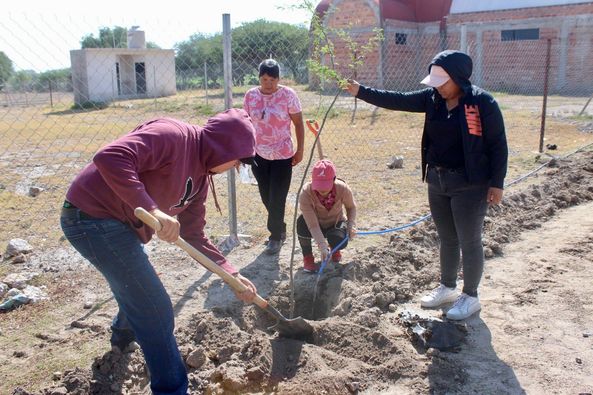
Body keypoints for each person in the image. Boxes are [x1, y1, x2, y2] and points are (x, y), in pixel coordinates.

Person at [60, 109, 258, 395]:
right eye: (238, 159)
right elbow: (110, 157)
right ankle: (172, 390)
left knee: (136, 286)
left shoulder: (201, 176)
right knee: (156, 307)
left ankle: (122, 340)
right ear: (223, 146)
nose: (236, 166)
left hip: (121, 225)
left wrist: (232, 274)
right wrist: (153, 210)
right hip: (89, 217)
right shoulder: (172, 135)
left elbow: (193, 234)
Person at [345, 50, 508, 320]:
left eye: (442, 82)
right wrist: (361, 91)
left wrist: (497, 183)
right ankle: (447, 287)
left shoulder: (482, 103)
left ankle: (471, 296)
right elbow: (395, 100)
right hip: (437, 180)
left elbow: (498, 144)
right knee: (447, 238)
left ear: (458, 78)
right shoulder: (432, 99)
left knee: (469, 240)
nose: (437, 87)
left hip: (470, 184)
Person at [243, 58, 305, 254]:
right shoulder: (251, 96)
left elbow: (298, 123)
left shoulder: (288, 95)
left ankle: (275, 237)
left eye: (272, 80)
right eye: (264, 79)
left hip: (282, 154)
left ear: (279, 79)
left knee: (278, 197)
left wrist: (300, 149)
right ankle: (280, 227)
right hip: (258, 153)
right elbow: (244, 123)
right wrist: (243, 151)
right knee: (266, 196)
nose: (268, 84)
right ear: (259, 78)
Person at [298, 159, 357, 273]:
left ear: (334, 179)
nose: (322, 190)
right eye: (319, 185)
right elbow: (313, 225)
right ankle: (308, 258)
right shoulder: (306, 193)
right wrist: (322, 245)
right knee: (301, 223)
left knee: (340, 240)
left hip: (335, 223)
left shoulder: (342, 188)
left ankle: (334, 248)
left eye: (325, 185)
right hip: (316, 224)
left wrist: (351, 224)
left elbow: (351, 207)